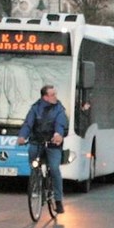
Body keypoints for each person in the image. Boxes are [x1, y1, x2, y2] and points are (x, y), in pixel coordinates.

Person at [17, 84, 71, 213]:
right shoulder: (35, 109)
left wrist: (58, 134)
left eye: (55, 94)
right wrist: (22, 136)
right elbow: (28, 124)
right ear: (45, 97)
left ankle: (58, 200)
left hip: (53, 144)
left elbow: (60, 123)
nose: (55, 97)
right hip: (37, 142)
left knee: (54, 168)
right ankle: (36, 182)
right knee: (33, 162)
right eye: (53, 95)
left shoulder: (59, 109)